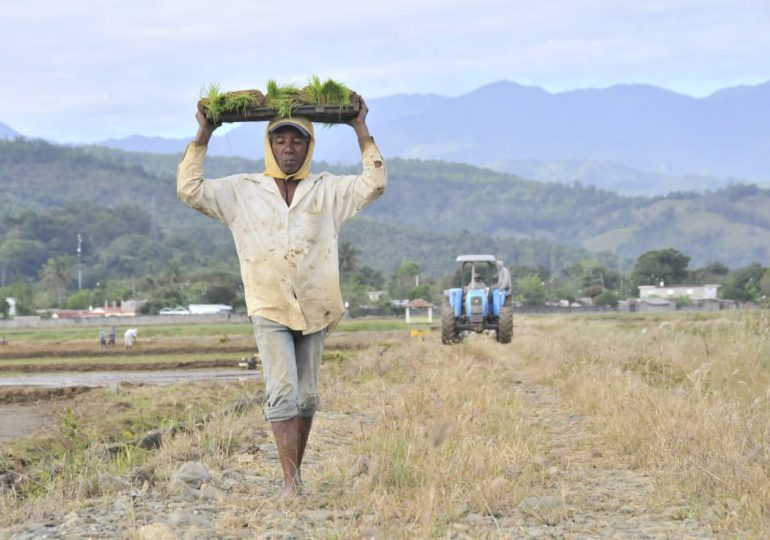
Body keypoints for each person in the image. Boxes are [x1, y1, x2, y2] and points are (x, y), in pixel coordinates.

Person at [177, 96, 386, 498]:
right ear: (268, 146)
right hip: (268, 304)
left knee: (306, 396)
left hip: (316, 305)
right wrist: (204, 133)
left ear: (309, 147)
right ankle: (289, 482)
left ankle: (297, 472)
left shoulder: (327, 191)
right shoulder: (242, 191)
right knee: (283, 390)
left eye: (297, 142)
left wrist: (360, 129)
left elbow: (374, 183)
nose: (288, 149)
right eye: (280, 142)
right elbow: (189, 189)